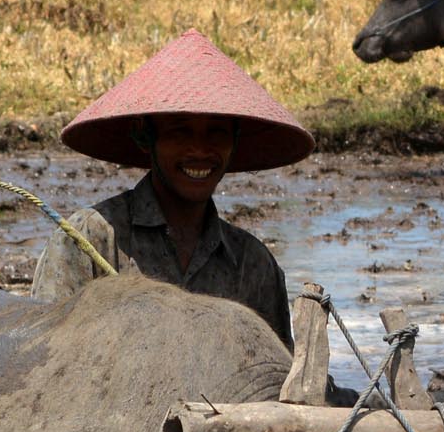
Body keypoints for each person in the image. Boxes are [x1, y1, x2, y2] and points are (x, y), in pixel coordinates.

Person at [49, 30, 309, 347]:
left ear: (235, 141)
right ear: (145, 136)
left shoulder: (252, 264)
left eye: (216, 132)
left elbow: (275, 379)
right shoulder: (90, 239)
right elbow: (42, 362)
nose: (199, 150)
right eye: (179, 131)